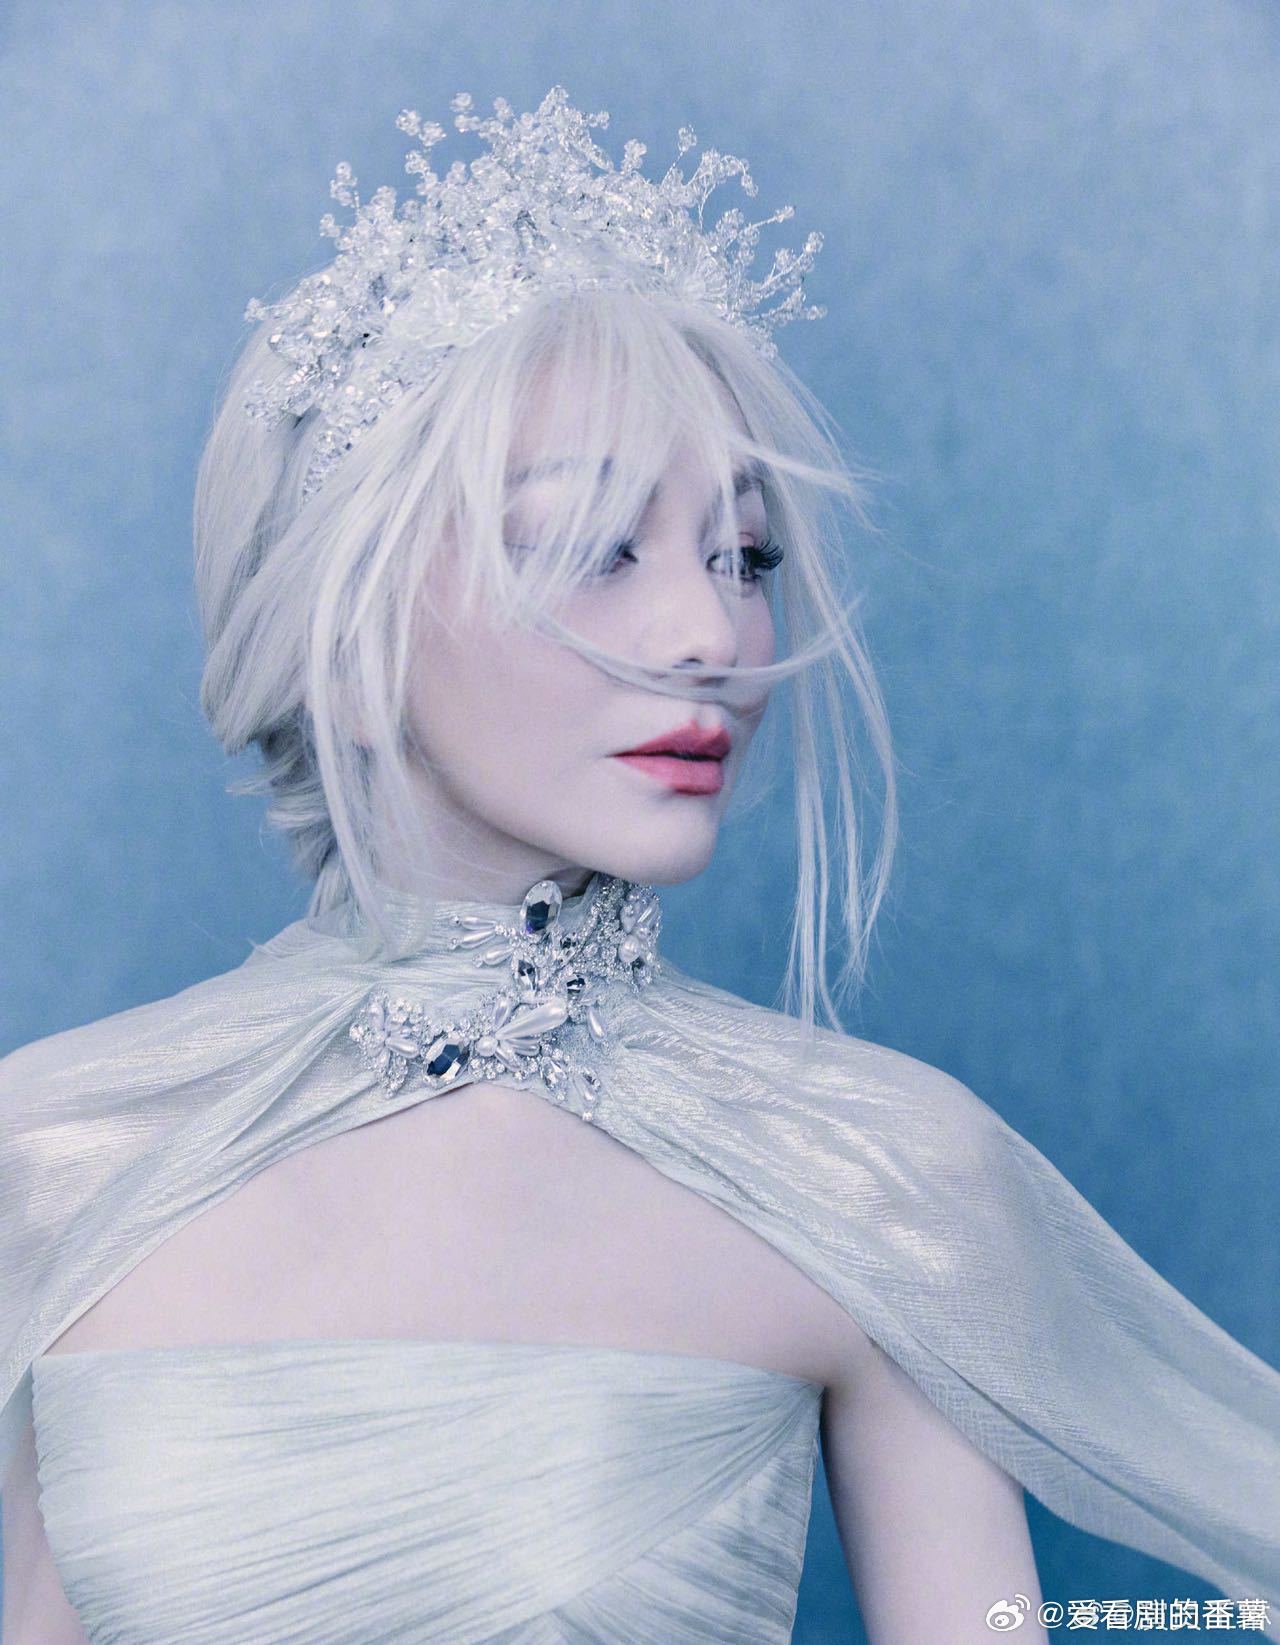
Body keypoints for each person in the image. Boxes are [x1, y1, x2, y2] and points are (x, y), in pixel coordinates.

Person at [1, 87, 1277, 1645]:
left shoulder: (875, 1179)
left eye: (745, 555)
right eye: (598, 545)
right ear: (345, 623)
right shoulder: (63, 1153)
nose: (711, 632)